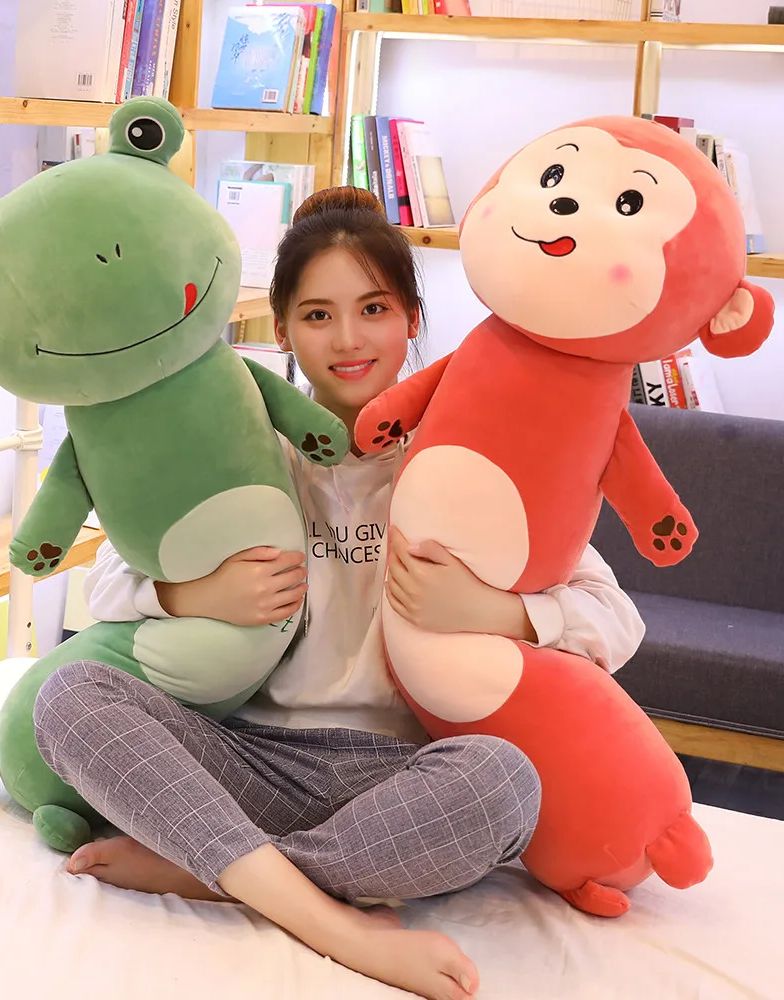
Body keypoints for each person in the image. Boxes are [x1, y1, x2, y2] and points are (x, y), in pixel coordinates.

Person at [33, 186, 646, 1000]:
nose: (349, 340)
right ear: (282, 329)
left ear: (412, 319)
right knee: (70, 694)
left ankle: (221, 872)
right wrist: (194, 594)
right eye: (317, 315)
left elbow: (618, 619)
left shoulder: (468, 462)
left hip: (401, 776)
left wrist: (499, 614)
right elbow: (108, 578)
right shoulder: (246, 450)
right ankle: (333, 918)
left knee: (504, 782)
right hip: (247, 756)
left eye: (374, 309)